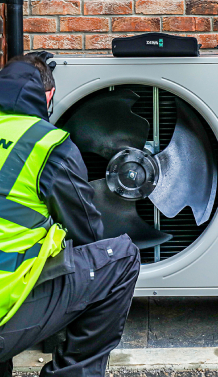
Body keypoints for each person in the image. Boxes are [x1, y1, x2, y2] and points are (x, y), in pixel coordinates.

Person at [0, 52, 140, 377]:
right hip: (4, 314)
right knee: (120, 258)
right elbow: (88, 234)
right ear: (47, 96)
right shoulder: (47, 145)